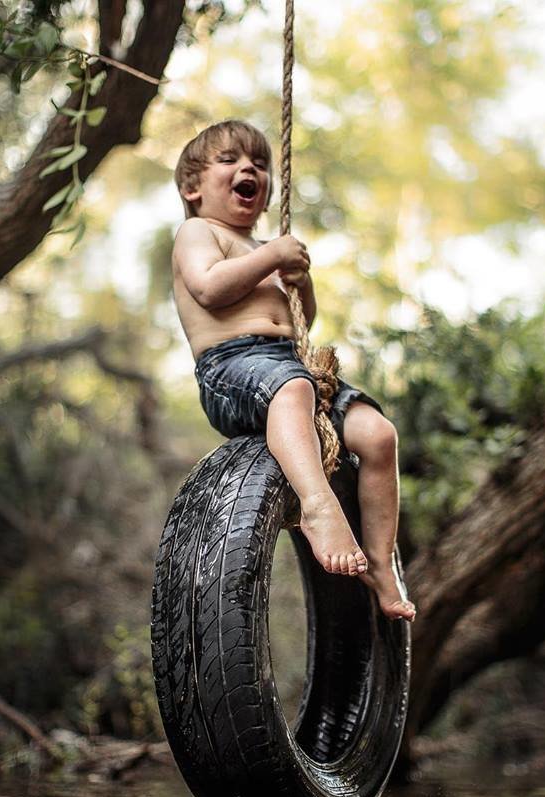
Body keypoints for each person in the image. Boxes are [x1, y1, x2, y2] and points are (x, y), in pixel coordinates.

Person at [172, 119, 416, 622]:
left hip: (291, 367)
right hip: (232, 368)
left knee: (377, 435)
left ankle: (380, 560)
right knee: (293, 387)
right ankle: (317, 505)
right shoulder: (199, 232)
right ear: (192, 188)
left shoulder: (260, 247)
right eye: (230, 160)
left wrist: (300, 284)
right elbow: (210, 289)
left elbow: (302, 320)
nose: (249, 169)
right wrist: (271, 256)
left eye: (260, 165)